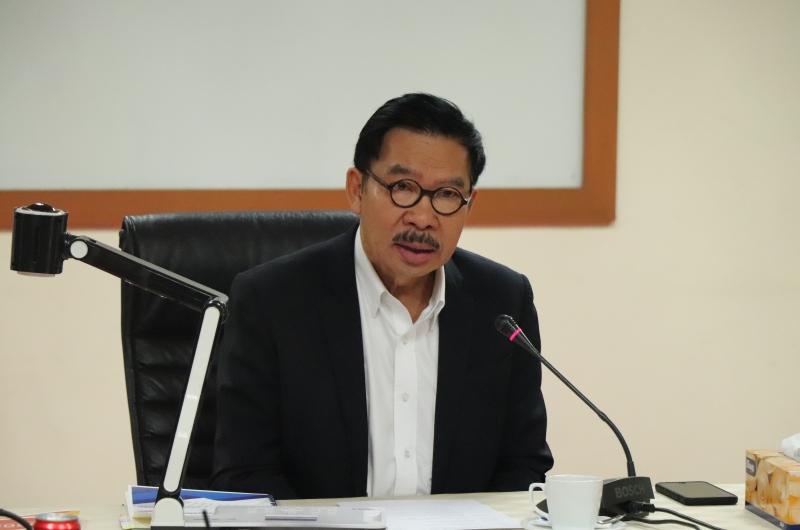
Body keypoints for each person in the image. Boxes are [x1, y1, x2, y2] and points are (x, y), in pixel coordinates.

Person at [210, 93, 553, 499]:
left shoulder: (503, 302)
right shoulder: (272, 302)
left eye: (447, 194)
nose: (423, 218)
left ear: (469, 205)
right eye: (403, 187)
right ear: (357, 190)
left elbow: (523, 465)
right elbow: (245, 474)